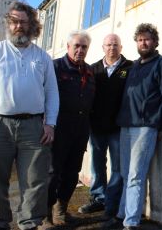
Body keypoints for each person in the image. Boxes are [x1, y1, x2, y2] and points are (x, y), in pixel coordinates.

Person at [0, 0, 59, 230]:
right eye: (14, 21)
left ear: (31, 25)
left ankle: (29, 222)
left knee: (34, 180)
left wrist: (50, 124)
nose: (19, 26)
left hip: (33, 127)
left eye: (24, 22)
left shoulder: (42, 58)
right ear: (8, 23)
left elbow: (52, 93)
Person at [103, 23, 162, 229]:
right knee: (126, 174)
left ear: (155, 42)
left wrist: (160, 125)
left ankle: (131, 222)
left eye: (147, 39)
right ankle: (121, 214)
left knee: (136, 175)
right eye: (140, 39)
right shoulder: (133, 66)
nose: (143, 43)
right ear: (136, 42)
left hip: (146, 127)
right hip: (126, 125)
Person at [78, 34, 133, 219]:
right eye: (108, 44)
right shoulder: (93, 69)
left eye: (115, 44)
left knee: (117, 167)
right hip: (97, 127)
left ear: (121, 47)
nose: (112, 48)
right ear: (103, 47)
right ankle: (98, 198)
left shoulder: (130, 68)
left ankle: (113, 201)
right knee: (97, 164)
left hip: (118, 128)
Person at [46, 30, 95, 227]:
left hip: (80, 131)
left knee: (72, 172)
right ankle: (45, 215)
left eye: (84, 47)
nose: (80, 50)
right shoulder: (55, 67)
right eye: (77, 46)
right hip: (58, 131)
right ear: (68, 47)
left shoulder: (90, 71)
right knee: (52, 173)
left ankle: (61, 211)